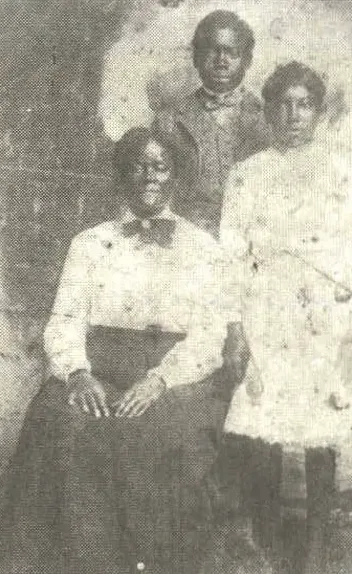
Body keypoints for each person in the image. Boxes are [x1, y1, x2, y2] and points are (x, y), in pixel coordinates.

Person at [0, 127, 246, 574]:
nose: (149, 177)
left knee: (159, 431)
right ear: (123, 176)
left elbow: (210, 334)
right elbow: (67, 319)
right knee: (60, 420)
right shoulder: (90, 243)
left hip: (177, 374)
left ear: (176, 177)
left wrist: (159, 380)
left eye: (160, 167)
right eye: (138, 166)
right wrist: (77, 373)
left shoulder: (203, 248)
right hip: (99, 364)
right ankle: (74, 562)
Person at [219, 61, 352, 574]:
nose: (292, 114)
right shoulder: (248, 174)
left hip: (321, 314)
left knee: (319, 428)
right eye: (282, 104)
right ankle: (267, 545)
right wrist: (236, 326)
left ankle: (313, 550)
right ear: (267, 111)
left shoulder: (342, 173)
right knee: (262, 423)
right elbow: (230, 254)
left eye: (303, 104)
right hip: (264, 308)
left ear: (318, 111)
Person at [154, 9, 270, 239]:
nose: (222, 61)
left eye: (232, 52)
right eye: (212, 50)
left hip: (252, 236)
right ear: (196, 58)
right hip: (188, 238)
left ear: (247, 60)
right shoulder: (168, 121)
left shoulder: (268, 120)